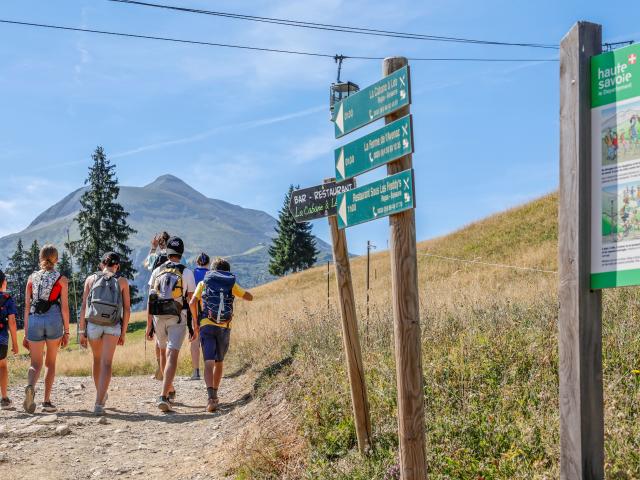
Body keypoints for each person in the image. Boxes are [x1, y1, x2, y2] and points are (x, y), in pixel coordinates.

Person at [189, 257, 253, 413]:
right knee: (219, 362)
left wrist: (196, 322)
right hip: (224, 327)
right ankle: (216, 396)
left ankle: (210, 398)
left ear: (212, 270)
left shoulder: (203, 283)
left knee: (208, 363)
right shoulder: (230, 284)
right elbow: (248, 297)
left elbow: (192, 303)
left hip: (206, 325)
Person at [146, 236, 196, 412]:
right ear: (181, 253)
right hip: (177, 317)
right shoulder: (187, 273)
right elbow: (191, 302)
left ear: (167, 252)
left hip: (158, 316)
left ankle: (170, 388)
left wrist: (148, 325)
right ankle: (163, 395)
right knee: (172, 354)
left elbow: (150, 299)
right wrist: (194, 325)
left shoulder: (157, 270)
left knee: (162, 352)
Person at [78, 252, 131, 415]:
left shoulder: (90, 279)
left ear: (102, 264)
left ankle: (100, 393)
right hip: (113, 325)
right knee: (107, 363)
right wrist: (123, 332)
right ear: (118, 266)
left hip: (93, 324)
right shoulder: (122, 281)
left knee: (96, 359)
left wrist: (81, 331)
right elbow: (127, 310)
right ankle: (99, 402)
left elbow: (83, 306)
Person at [22, 245, 70, 414]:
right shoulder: (62, 279)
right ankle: (46, 402)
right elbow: (64, 308)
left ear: (40, 258)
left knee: (35, 363)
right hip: (53, 319)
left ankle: (30, 387)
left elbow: (27, 306)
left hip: (34, 319)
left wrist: (27, 332)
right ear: (56, 259)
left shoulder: (31, 278)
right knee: (50, 363)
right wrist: (67, 331)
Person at [144, 232, 170, 381]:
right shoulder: (178, 256)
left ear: (159, 243)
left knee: (158, 338)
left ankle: (160, 368)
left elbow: (147, 264)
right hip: (174, 300)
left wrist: (152, 248)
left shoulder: (157, 257)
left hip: (157, 298)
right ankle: (168, 368)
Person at [189, 253, 210, 380]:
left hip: (194, 310)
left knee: (195, 339)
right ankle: (209, 369)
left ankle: (196, 372)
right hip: (209, 311)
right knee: (208, 340)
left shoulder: (191, 273)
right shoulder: (211, 274)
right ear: (208, 262)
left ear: (197, 262)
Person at [0, 270, 19, 410]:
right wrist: (15, 344)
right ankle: (4, 399)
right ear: (3, 282)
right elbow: (12, 322)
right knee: (2, 366)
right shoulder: (7, 298)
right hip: (1, 339)